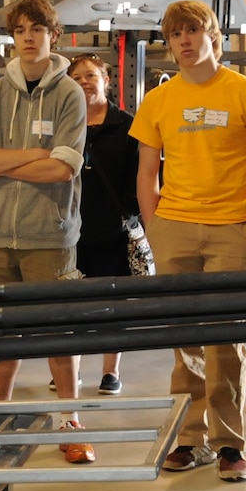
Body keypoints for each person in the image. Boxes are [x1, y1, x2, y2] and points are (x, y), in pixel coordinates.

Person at [129, 0, 246, 483]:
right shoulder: (159, 100)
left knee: (225, 339)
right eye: (176, 34)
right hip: (174, 227)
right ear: (169, 43)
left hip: (232, 229)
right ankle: (190, 440)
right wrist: (156, 228)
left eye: (193, 30)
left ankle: (229, 444)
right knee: (184, 340)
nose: (185, 41)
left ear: (212, 35)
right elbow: (147, 170)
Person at [0, 0, 92, 463]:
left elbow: (64, 169)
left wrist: (5, 162)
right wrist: (34, 155)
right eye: (21, 31)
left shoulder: (69, 93)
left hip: (50, 235)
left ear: (53, 36)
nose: (29, 38)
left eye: (38, 29)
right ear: (12, 38)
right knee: (3, 333)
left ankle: (70, 420)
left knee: (59, 332)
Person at [70, 54, 145, 397]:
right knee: (72, 306)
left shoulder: (128, 125)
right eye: (78, 77)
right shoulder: (64, 124)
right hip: (70, 229)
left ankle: (111, 372)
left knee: (114, 305)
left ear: (107, 80)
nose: (85, 82)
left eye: (91, 75)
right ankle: (71, 370)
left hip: (114, 232)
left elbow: (138, 178)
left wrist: (129, 213)